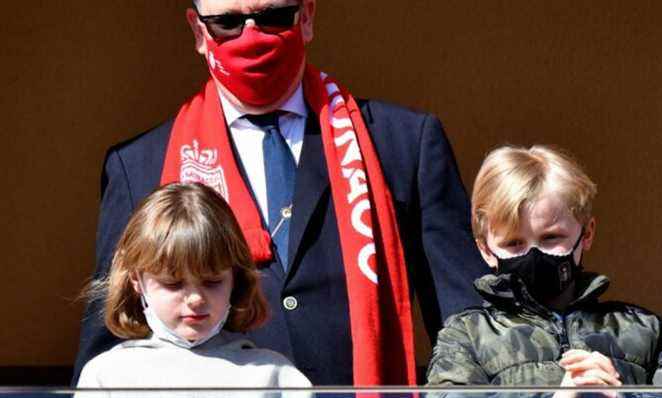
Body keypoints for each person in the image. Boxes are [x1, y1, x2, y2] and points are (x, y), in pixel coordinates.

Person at [74, 0, 489, 386]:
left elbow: (470, 324)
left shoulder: (402, 143)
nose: (252, 37)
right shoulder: (139, 165)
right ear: (199, 32)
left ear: (306, 17)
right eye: (228, 23)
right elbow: (110, 336)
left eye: (274, 16)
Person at [426, 145, 662, 386]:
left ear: (586, 233)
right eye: (514, 243)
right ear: (485, 248)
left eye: (550, 237)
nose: (533, 254)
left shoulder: (647, 332)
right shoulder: (466, 338)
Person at [77, 182, 311, 388]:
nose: (195, 299)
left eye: (212, 282)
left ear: (235, 279)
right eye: (173, 284)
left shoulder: (274, 376)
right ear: (137, 279)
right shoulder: (108, 376)